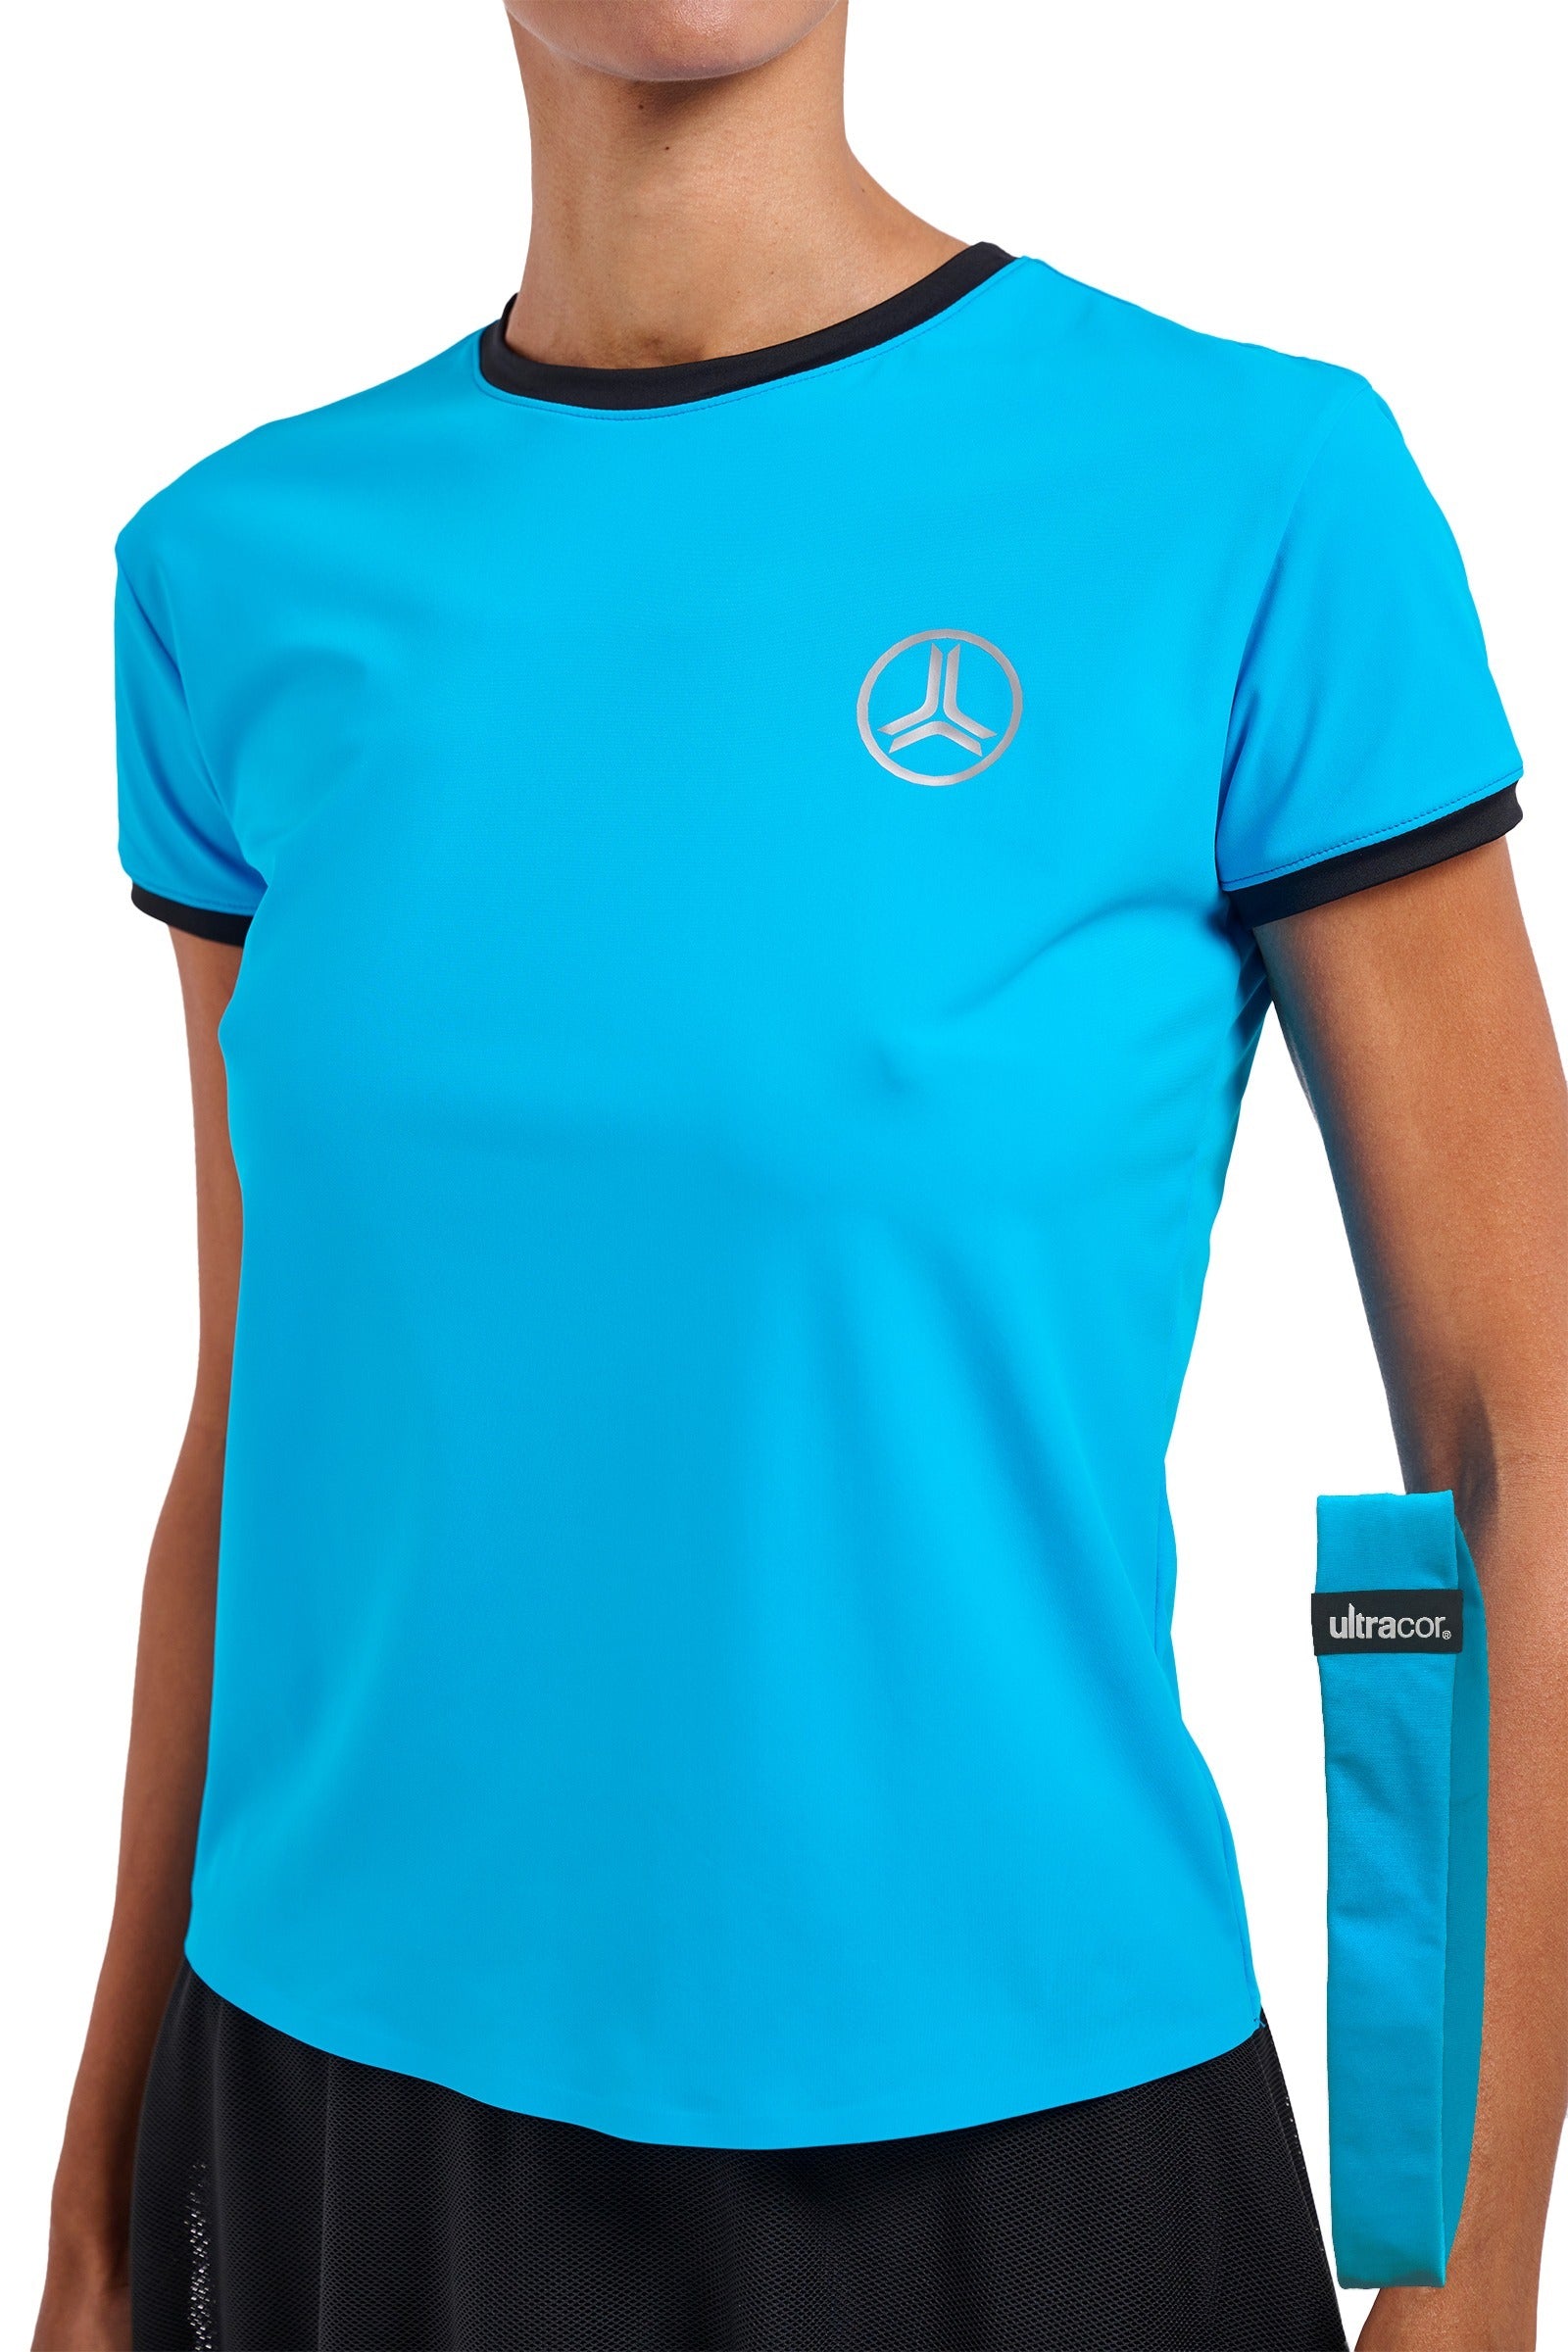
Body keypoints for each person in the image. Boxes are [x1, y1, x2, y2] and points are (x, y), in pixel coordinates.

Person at [33, 3, 1568, 2347]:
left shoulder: (1246, 495)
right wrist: (92, 2195)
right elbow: (267, 1427)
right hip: (335, 2132)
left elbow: (1506, 1443)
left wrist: (1450, 2268)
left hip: (1019, 2161)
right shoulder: (233, 572)